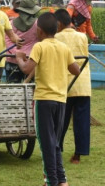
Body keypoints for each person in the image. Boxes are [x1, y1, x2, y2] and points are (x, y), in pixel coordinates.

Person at [16, 12, 80, 186]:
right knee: (55, 142)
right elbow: (76, 70)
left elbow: (27, 69)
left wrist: (19, 58)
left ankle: (51, 181)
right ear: (57, 28)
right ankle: (62, 180)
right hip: (61, 100)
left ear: (39, 31)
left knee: (46, 144)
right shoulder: (63, 48)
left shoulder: (39, 46)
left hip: (44, 100)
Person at [55, 9, 91, 165]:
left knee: (61, 119)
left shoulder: (56, 37)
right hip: (83, 84)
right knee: (81, 120)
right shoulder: (82, 36)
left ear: (59, 23)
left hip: (65, 84)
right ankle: (78, 154)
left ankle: (57, 149)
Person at [5, 0, 40, 83]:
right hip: (31, 60)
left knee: (13, 90)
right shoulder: (38, 24)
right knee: (30, 89)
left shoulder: (11, 23)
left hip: (13, 59)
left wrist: (16, 53)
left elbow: (7, 40)